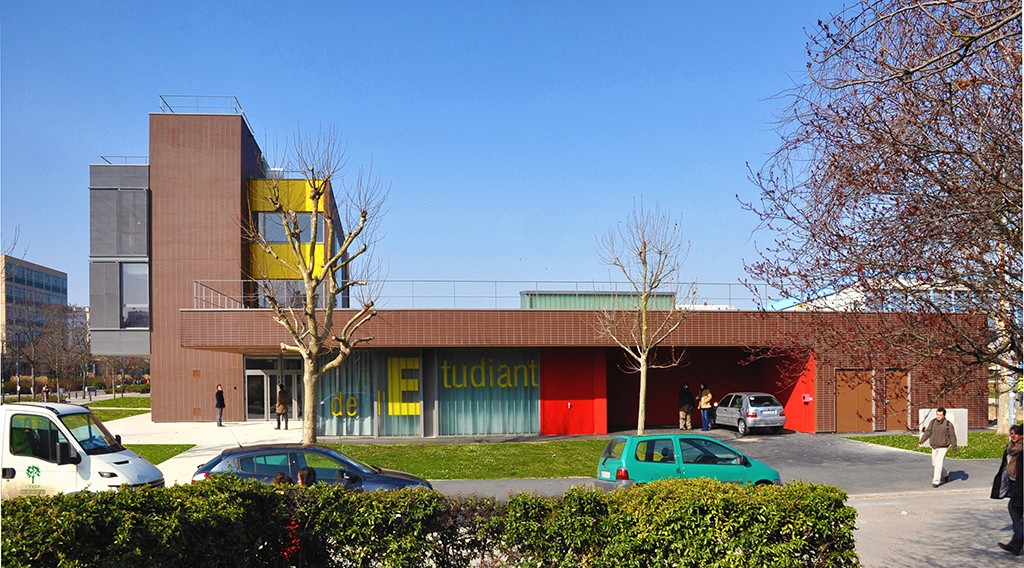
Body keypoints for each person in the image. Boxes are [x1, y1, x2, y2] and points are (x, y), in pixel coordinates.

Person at [992, 424, 1023, 556]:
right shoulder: (1010, 447)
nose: (1013, 436)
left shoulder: (1022, 449)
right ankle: (1016, 544)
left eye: (1015, 433)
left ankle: (1018, 538)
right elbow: (1005, 465)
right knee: (1015, 510)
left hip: (1021, 486)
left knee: (1013, 508)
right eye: (1011, 433)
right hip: (1013, 483)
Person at [919, 407, 957, 488]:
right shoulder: (933, 422)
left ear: (944, 415)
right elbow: (928, 432)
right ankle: (946, 474)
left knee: (938, 463)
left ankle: (936, 481)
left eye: (940, 415)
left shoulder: (948, 425)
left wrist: (954, 447)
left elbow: (952, 436)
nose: (938, 416)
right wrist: (922, 440)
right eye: (937, 415)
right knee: (934, 464)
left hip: (943, 446)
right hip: (934, 446)